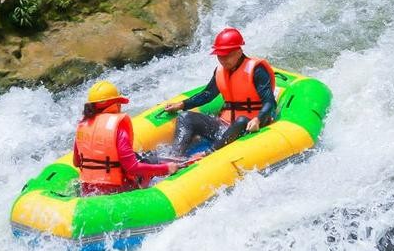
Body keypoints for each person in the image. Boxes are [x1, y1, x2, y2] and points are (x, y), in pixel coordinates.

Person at [164, 27, 276, 158]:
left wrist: (258, 119)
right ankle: (174, 156)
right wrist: (182, 105)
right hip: (224, 125)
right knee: (185, 117)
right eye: (220, 56)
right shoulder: (220, 71)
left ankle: (208, 154)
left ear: (239, 52)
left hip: (249, 125)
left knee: (240, 121)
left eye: (227, 56)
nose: (223, 60)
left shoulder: (257, 70)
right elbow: (207, 94)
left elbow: (269, 102)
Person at [73, 81, 178, 196]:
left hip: (89, 190)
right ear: (115, 104)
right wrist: (165, 169)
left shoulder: (83, 126)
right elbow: (132, 168)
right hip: (119, 191)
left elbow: (76, 162)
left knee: (143, 157)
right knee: (152, 160)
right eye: (119, 103)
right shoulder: (118, 128)